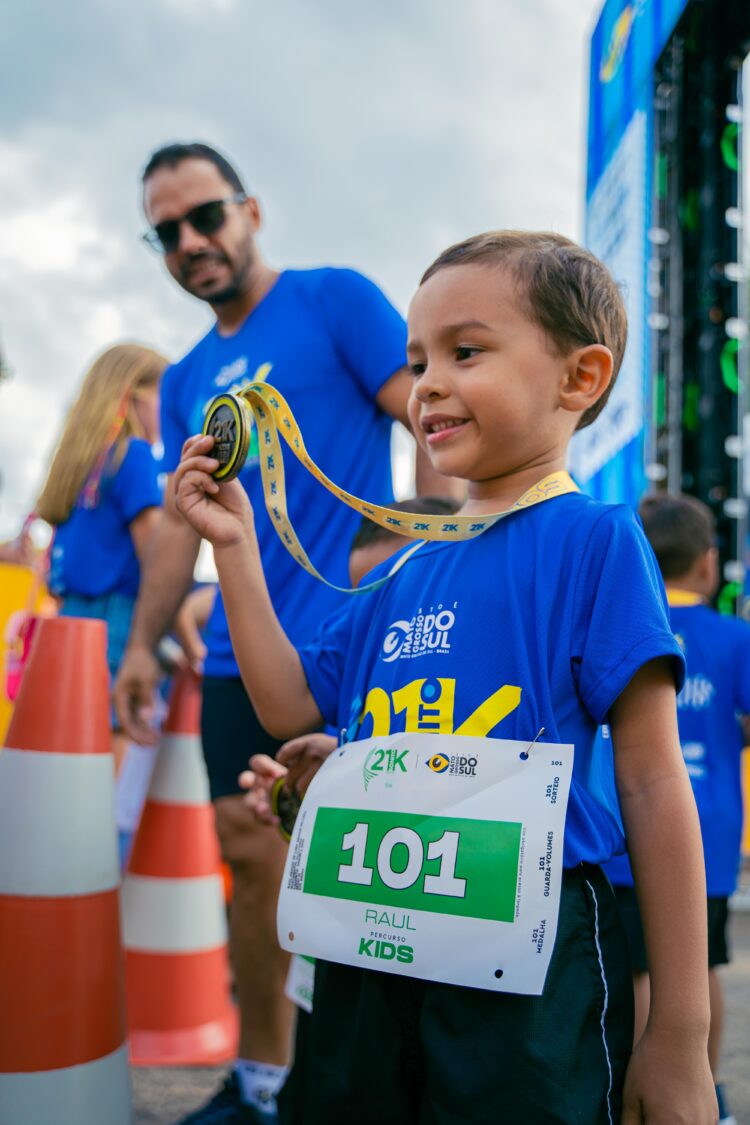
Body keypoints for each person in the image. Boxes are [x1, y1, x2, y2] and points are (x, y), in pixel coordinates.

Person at [173, 230, 717, 1123]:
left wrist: (681, 1035)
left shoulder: (595, 541)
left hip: (523, 979)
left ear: (580, 378)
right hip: (363, 968)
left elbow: (656, 782)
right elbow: (283, 702)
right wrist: (232, 544)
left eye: (466, 351)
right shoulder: (398, 572)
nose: (427, 382)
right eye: (419, 358)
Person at [114, 142, 455, 1124]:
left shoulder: (332, 300)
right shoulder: (185, 378)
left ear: (250, 211)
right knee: (248, 854)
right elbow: (181, 522)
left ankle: (380, 1082)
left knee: (374, 863)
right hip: (234, 650)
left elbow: (427, 414)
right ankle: (266, 1082)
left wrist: (419, 558)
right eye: (165, 231)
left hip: (352, 642)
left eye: (204, 216)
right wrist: (142, 644)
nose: (189, 242)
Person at [605, 492, 748, 1125]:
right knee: (702, 960)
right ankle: (702, 1092)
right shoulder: (733, 637)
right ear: (707, 563)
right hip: (704, 833)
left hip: (623, 825)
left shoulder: (621, 622)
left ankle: (639, 1091)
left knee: (638, 966)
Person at [36, 343, 166, 769]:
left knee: (57, 755)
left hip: (65, 623)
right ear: (136, 395)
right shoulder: (137, 456)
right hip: (115, 626)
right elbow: (159, 562)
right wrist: (185, 634)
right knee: (96, 768)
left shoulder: (78, 465)